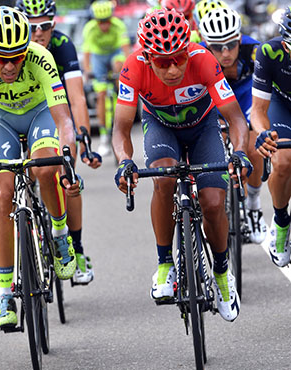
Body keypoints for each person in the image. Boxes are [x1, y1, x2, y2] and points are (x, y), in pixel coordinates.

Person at [112, 8, 252, 321]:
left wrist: (240, 151)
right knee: (163, 179)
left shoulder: (203, 59)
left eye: (179, 57)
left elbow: (235, 119)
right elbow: (121, 129)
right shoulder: (133, 68)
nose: (173, 68)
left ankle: (221, 272)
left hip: (203, 128)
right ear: (148, 57)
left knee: (214, 203)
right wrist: (124, 162)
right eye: (163, 62)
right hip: (160, 126)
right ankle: (165, 264)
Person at [0, 6, 80, 328]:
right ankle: (5, 293)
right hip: (0, 120)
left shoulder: (40, 58)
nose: (9, 66)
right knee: (2, 193)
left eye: (17, 57)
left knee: (44, 168)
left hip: (40, 112)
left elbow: (64, 121)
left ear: (27, 50)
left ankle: (60, 233)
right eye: (0, 58)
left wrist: (68, 161)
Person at [15, 0, 102, 284]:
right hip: (19, 113)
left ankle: (75, 249)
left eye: (45, 25)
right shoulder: (12, 48)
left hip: (56, 113)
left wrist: (82, 138)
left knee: (67, 175)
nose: (39, 32)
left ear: (54, 23)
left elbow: (76, 97)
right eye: (32, 26)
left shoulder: (63, 45)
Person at [199, 7, 267, 244]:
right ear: (207, 44)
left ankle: (254, 207)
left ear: (239, 39)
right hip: (214, 95)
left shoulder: (255, 51)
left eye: (230, 44)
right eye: (217, 46)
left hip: (245, 94)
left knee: (251, 143)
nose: (225, 52)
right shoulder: (199, 55)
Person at [251, 6, 291, 267]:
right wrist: (264, 134)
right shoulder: (269, 52)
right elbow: (257, 110)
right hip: (281, 105)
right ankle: (281, 222)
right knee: (284, 160)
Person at [82, 0, 131, 156]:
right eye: (100, 22)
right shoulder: (89, 29)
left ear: (111, 18)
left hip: (114, 54)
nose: (104, 25)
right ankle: (104, 135)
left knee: (119, 64)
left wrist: (127, 71)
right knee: (101, 94)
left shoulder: (118, 25)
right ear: (95, 20)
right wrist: (88, 71)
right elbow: (87, 54)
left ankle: (120, 93)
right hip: (99, 58)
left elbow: (125, 51)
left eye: (106, 21)